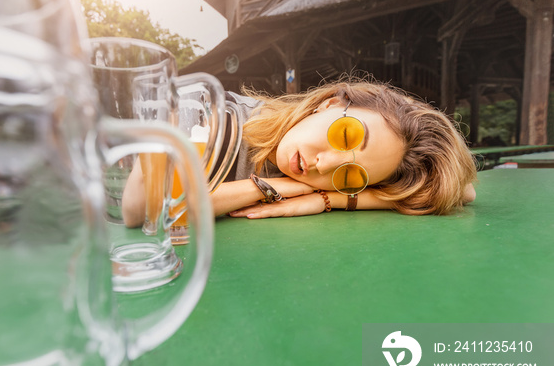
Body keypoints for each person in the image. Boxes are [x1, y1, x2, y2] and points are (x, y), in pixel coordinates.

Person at [123, 77, 477, 226]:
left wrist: (327, 198)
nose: (325, 164)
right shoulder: (209, 117)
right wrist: (265, 189)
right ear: (329, 102)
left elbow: (462, 189)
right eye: (346, 135)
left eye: (351, 176)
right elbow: (139, 209)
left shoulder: (326, 184)